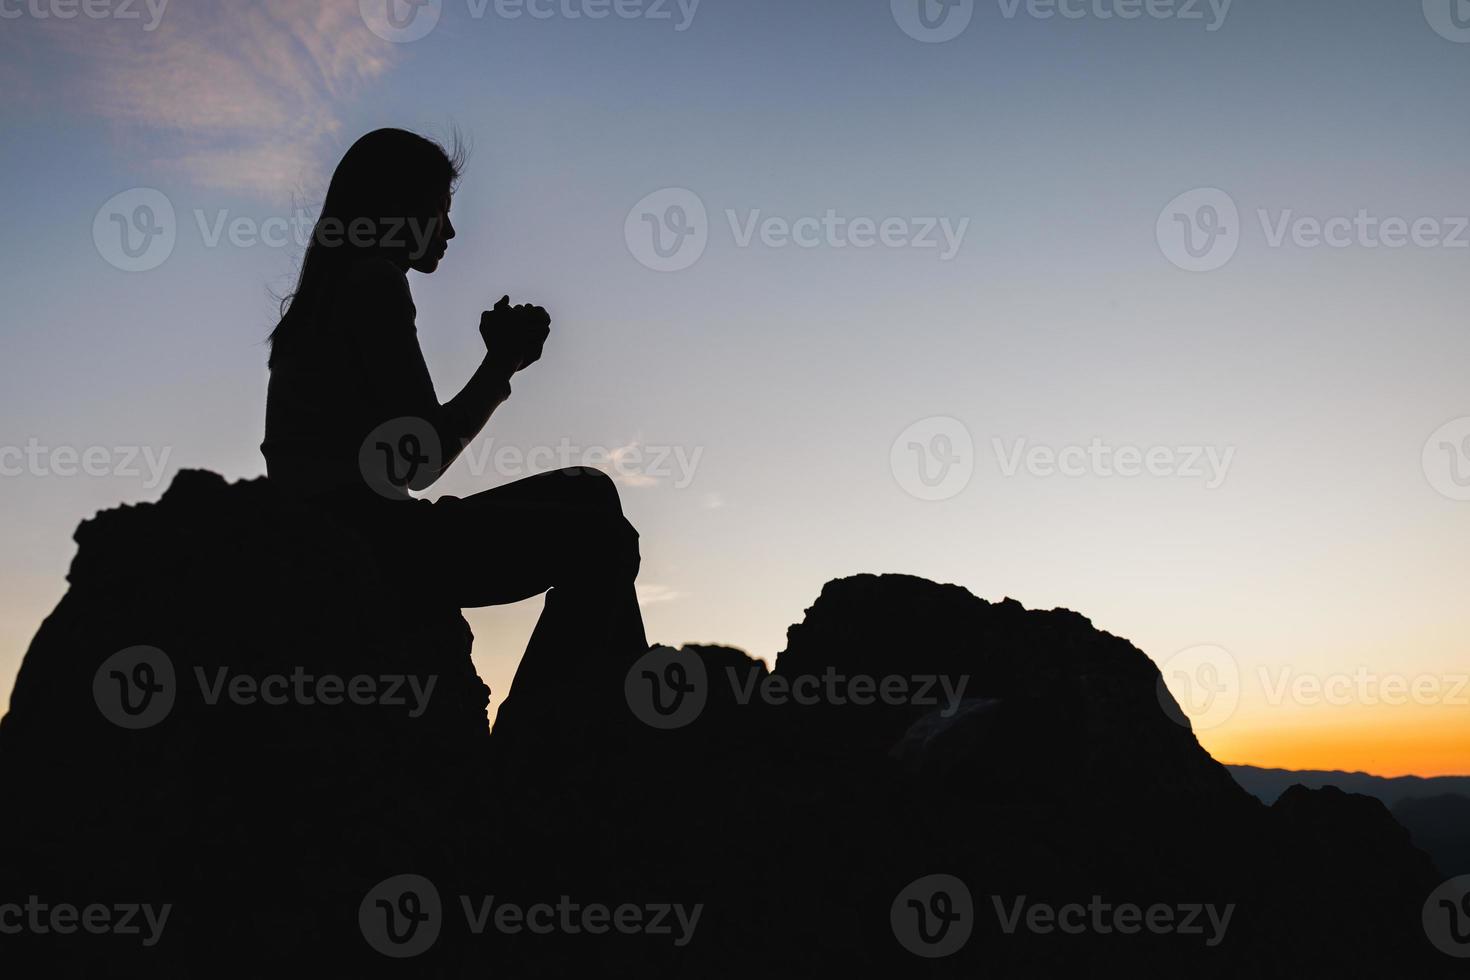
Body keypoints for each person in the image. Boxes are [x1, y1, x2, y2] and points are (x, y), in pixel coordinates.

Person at [261, 128, 647, 733]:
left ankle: (584, 725)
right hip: (372, 545)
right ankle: (559, 745)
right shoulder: (373, 282)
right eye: (441, 210)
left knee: (590, 489)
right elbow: (419, 459)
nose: (450, 230)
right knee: (602, 539)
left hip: (362, 528)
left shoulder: (326, 298)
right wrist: (501, 364)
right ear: (401, 209)